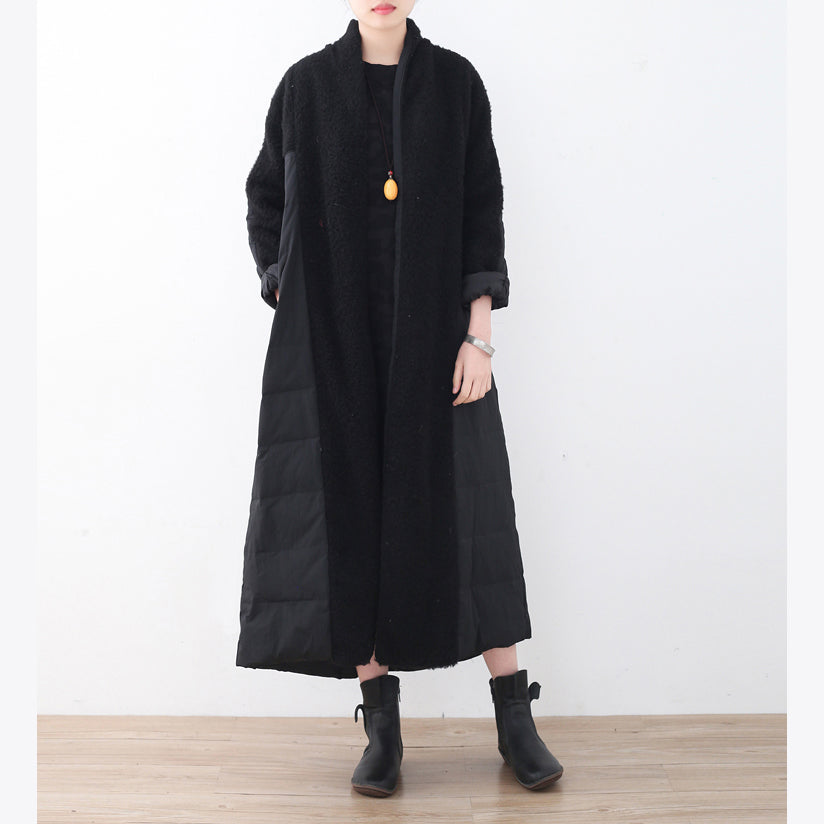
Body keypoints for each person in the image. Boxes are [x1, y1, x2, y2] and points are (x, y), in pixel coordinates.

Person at [237, 0, 564, 796]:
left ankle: (514, 719)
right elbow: (265, 197)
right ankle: (381, 727)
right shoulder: (306, 88)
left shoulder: (455, 84)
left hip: (439, 344)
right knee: (352, 522)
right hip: (338, 348)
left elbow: (481, 208)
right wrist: (285, 285)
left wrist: (479, 334)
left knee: (471, 521)